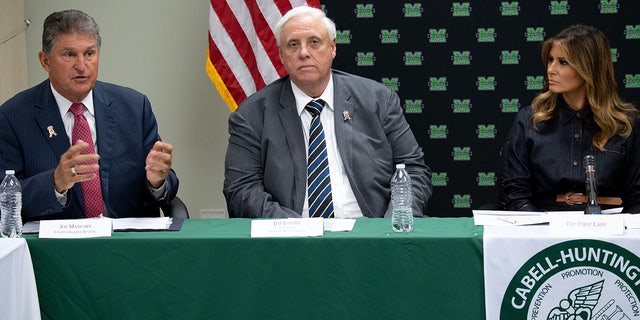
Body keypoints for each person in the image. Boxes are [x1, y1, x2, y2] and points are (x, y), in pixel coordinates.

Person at [223, 6, 432, 218]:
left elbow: (413, 171)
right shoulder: (251, 115)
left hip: (371, 236)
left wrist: (392, 224)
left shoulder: (378, 99)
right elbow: (242, 189)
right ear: (281, 55)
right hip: (292, 242)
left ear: (332, 47)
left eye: (314, 42)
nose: (304, 53)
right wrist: (294, 229)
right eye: (293, 44)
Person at [0, 9, 179, 221]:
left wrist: (156, 182)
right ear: (45, 61)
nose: (82, 66)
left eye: (89, 54)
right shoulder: (13, 116)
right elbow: (4, 198)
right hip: (57, 248)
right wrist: (55, 183)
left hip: (127, 243)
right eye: (69, 54)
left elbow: (164, 183)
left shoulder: (133, 107)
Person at [499, 24, 640, 213]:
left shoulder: (625, 124)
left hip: (608, 231)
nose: (551, 69)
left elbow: (636, 197)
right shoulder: (529, 120)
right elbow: (515, 194)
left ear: (590, 68)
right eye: (550, 60)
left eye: (563, 62)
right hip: (542, 228)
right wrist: (540, 232)